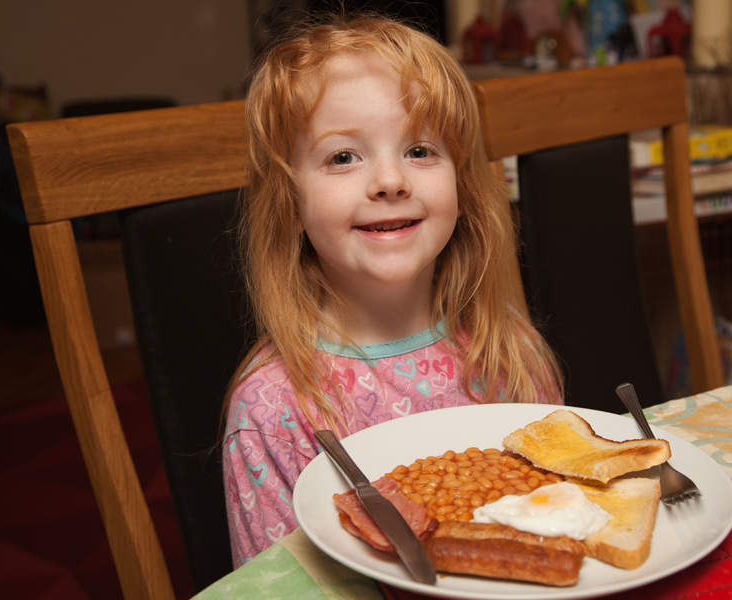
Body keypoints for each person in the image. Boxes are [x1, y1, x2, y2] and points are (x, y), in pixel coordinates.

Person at [222, 14, 564, 568]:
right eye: (343, 157)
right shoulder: (273, 408)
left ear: (463, 187)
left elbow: (562, 522)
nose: (389, 181)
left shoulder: (511, 354)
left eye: (420, 150)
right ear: (290, 205)